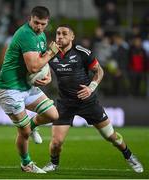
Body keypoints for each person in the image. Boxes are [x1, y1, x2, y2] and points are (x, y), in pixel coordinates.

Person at [42, 24, 144, 173]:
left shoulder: (82, 52)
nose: (60, 37)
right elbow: (38, 69)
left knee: (111, 136)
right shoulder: (50, 54)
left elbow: (99, 71)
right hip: (65, 103)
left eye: (64, 34)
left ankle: (128, 155)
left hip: (87, 102)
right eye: (58, 34)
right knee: (56, 142)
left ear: (72, 37)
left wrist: (91, 87)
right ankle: (54, 164)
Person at [0, 6, 60, 173]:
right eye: (36, 23)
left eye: (43, 24)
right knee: (23, 132)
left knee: (53, 115)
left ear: (47, 23)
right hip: (10, 89)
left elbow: (42, 60)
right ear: (30, 19)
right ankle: (26, 164)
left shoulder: (42, 35)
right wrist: (52, 53)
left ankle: (33, 126)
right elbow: (33, 67)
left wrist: (49, 75)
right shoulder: (25, 34)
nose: (39, 27)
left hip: (27, 86)